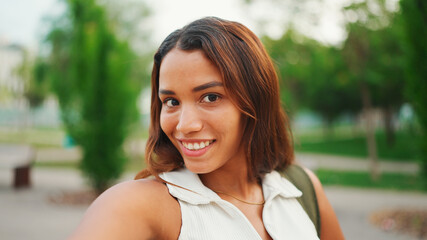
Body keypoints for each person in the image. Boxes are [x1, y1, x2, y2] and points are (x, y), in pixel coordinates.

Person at [68, 17, 344, 240]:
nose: (185, 125)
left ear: (255, 100)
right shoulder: (138, 205)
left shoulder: (301, 187)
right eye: (171, 101)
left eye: (210, 97)